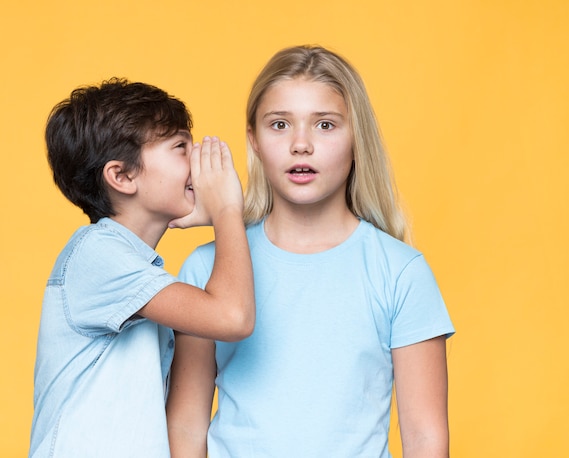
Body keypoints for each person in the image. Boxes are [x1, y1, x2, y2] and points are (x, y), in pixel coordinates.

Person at [167, 45, 455, 458]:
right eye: (280, 124)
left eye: (325, 125)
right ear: (254, 140)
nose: (301, 145)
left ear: (357, 137)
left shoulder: (401, 272)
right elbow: (184, 424)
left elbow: (425, 437)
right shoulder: (205, 267)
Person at [29, 78, 255, 458]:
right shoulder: (97, 254)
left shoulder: (132, 266)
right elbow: (233, 316)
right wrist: (226, 210)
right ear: (122, 176)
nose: (198, 157)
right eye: (181, 146)